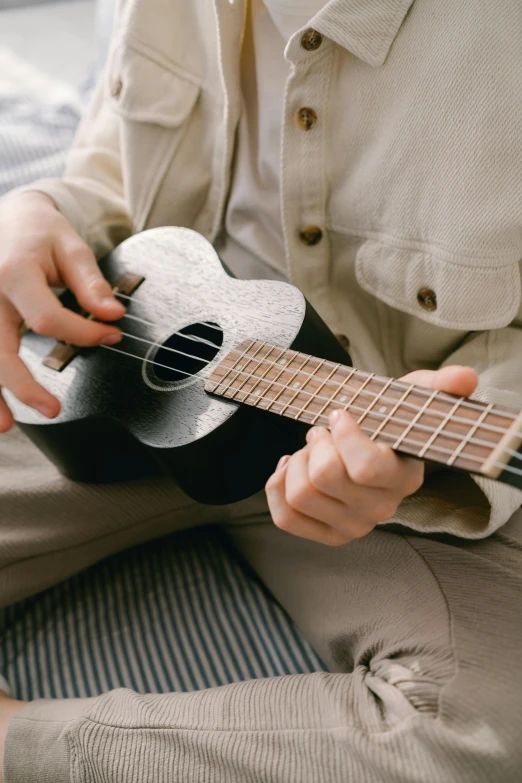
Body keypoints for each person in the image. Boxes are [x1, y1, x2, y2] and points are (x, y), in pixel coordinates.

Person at [1, 0, 522, 780]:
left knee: (476, 732)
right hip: (129, 366)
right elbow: (117, 150)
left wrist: (430, 462)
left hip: (401, 458)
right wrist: (42, 207)